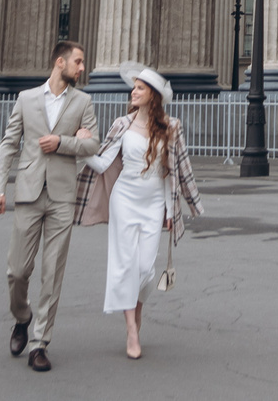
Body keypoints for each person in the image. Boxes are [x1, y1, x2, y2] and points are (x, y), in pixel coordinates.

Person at [0, 41, 100, 373]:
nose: (82, 68)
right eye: (78, 62)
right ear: (60, 62)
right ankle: (22, 318)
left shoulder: (84, 101)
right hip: (28, 192)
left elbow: (93, 143)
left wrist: (64, 143)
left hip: (63, 195)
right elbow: (9, 145)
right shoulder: (26, 99)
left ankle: (40, 343)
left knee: (53, 273)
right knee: (17, 271)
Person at [79, 63, 202, 360]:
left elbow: (177, 169)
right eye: (133, 87)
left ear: (153, 96)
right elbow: (103, 162)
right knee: (124, 264)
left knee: (145, 268)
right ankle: (131, 330)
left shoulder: (171, 127)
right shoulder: (122, 123)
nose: (133, 92)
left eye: (140, 88)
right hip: (124, 197)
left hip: (153, 202)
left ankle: (136, 313)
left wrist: (175, 209)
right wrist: (83, 144)